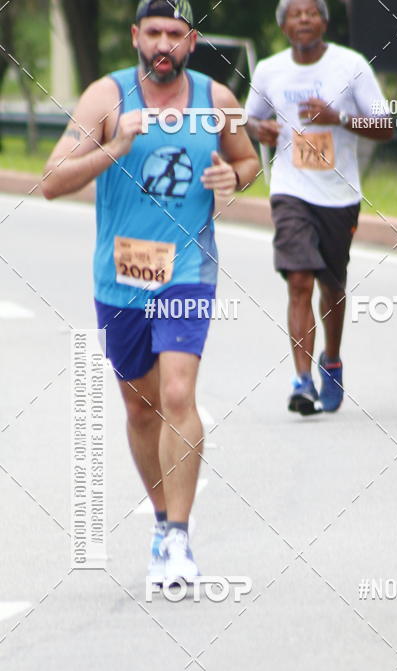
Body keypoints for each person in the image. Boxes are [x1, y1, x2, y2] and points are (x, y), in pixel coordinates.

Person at [42, 0, 260, 586]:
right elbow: (51, 182)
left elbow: (248, 160)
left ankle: (181, 540)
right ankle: (162, 523)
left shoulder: (217, 100)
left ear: (192, 41)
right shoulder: (106, 97)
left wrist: (234, 177)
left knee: (179, 393)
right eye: (155, 32)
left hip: (188, 270)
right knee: (141, 407)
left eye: (176, 34)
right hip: (121, 277)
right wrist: (115, 147)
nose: (164, 43)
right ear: (137, 36)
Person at [246, 0, 393, 416]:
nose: (304, 19)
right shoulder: (269, 70)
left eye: (312, 12)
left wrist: (339, 118)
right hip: (290, 190)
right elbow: (247, 119)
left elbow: (385, 126)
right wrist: (260, 129)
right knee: (298, 280)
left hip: (339, 195)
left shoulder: (351, 65)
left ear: (325, 22)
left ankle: (332, 359)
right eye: (295, 14)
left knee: (331, 286)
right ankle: (301, 380)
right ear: (283, 26)